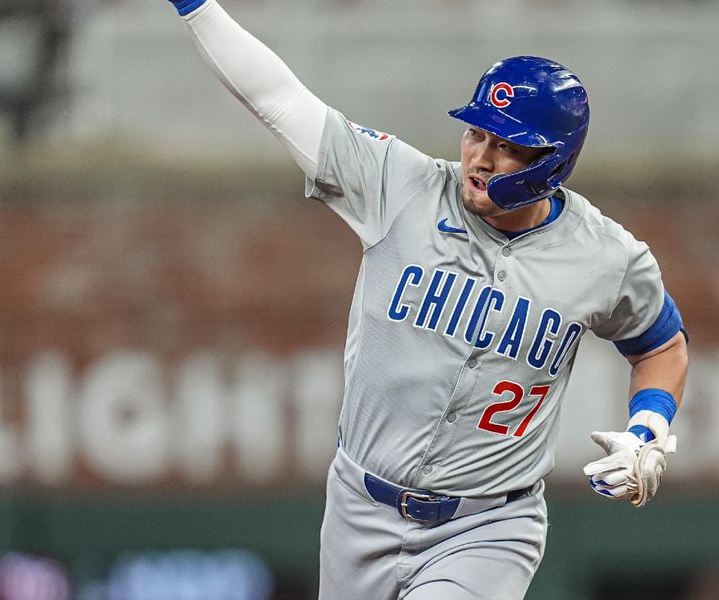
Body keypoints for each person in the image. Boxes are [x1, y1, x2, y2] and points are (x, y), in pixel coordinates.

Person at [163, 1, 689, 598]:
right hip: (358, 508)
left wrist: (649, 428)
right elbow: (281, 101)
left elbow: (662, 345)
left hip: (490, 522)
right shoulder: (401, 185)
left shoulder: (606, 257)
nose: (481, 158)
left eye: (508, 145)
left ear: (553, 160)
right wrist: (196, 6)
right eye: (475, 133)